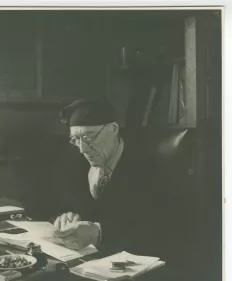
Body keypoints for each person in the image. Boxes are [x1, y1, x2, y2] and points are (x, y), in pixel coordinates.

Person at [50, 98, 186, 261]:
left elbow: (160, 229)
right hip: (89, 260)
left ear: (113, 129)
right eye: (75, 139)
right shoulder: (78, 162)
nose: (82, 149)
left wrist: (100, 233)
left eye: (89, 137)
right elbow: (65, 203)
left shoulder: (148, 167)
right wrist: (69, 215)